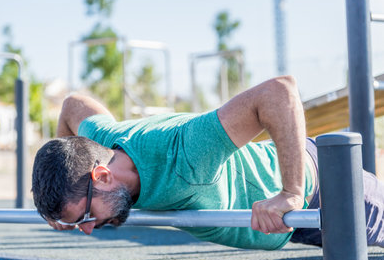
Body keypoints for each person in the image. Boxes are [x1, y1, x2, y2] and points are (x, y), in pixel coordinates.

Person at [32, 76, 384, 250]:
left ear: (103, 175)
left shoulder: (184, 151)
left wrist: (290, 192)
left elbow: (279, 92)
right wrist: (66, 212)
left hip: (320, 192)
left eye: (87, 217)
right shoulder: (101, 140)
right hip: (282, 223)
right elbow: (73, 105)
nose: (89, 230)